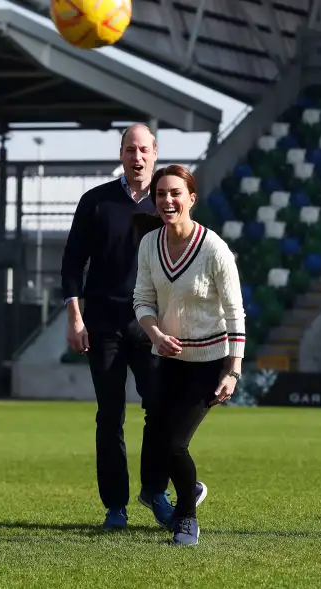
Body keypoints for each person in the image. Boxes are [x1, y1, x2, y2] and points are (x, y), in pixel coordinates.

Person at [61, 124, 205, 531]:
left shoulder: (169, 202)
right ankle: (115, 506)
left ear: (155, 153)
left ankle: (155, 490)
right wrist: (75, 317)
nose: (136, 157)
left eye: (143, 149)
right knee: (110, 417)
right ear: (121, 153)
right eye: (130, 149)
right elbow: (72, 263)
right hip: (103, 324)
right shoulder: (96, 201)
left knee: (159, 410)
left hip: (153, 326)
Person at [133, 165, 245, 546]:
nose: (167, 200)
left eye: (175, 193)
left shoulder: (214, 249)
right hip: (168, 361)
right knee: (157, 437)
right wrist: (156, 334)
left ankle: (186, 519)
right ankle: (185, 490)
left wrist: (233, 369)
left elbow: (235, 312)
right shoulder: (149, 245)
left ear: (191, 198)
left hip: (209, 364)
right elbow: (142, 299)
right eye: (161, 194)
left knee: (174, 444)